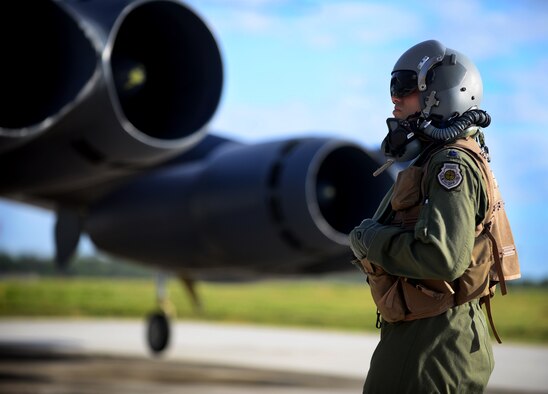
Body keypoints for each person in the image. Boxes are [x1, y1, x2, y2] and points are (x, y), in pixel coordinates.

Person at [349, 39, 519, 393]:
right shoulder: (439, 159)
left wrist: (369, 238)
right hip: (430, 339)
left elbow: (442, 258)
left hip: (431, 346)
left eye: (404, 86)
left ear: (438, 94)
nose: (394, 98)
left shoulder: (449, 164)